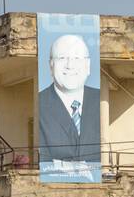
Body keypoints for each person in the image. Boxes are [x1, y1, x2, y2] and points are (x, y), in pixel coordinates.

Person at [37, 33, 100, 165]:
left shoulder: (100, 101)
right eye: (62, 58)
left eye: (77, 58)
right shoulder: (39, 103)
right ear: (51, 65)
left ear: (87, 65)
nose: (70, 65)